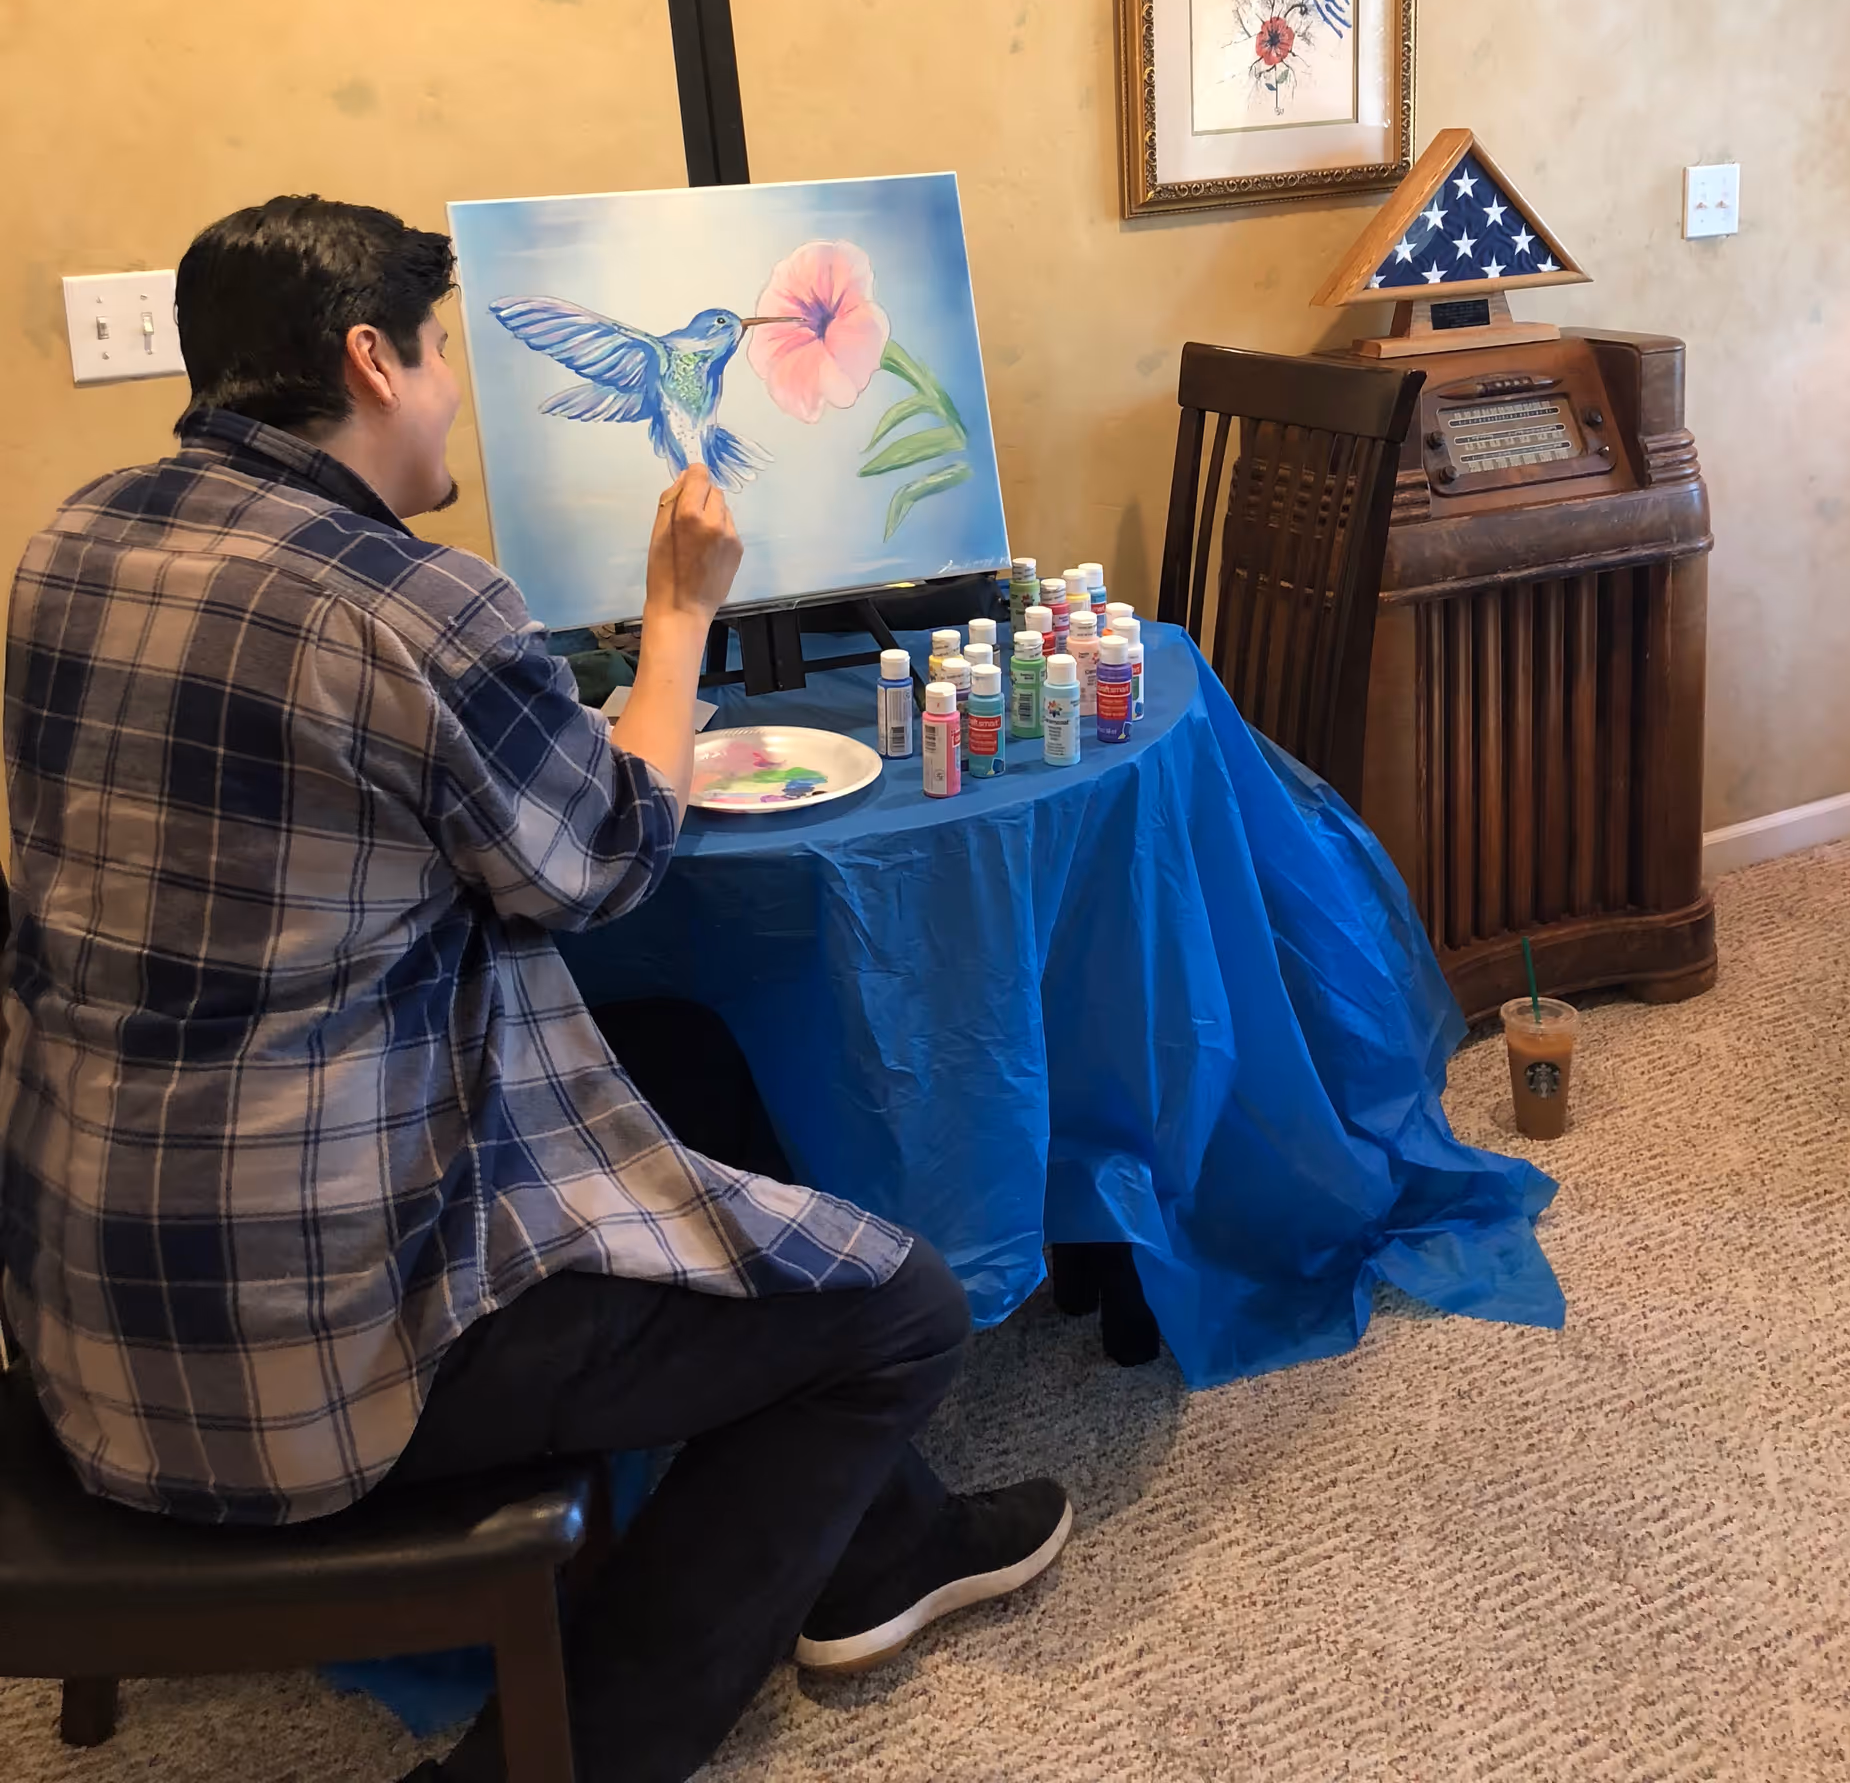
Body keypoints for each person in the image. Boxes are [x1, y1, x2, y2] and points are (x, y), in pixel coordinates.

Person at [0, 196, 1070, 1783]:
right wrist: (682, 612)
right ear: (372, 358)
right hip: (305, 1353)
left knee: (679, 1065)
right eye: (438, 357)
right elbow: (606, 861)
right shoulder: (415, 605)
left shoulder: (75, 540)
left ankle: (877, 1546)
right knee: (899, 1315)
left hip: (77, 1297)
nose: (452, 399)